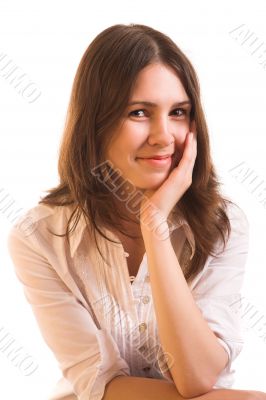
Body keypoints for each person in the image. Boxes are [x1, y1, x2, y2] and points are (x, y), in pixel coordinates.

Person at [7, 23, 266, 400]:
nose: (164, 136)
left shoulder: (223, 224)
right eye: (140, 112)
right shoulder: (39, 237)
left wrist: (155, 224)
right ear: (95, 123)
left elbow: (196, 378)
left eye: (178, 112)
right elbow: (99, 385)